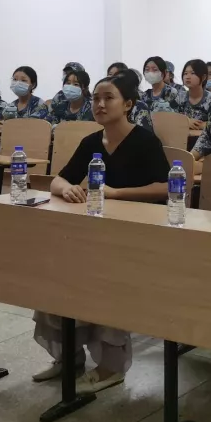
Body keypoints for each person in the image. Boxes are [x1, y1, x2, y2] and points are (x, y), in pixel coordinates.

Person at [37, 72, 170, 393]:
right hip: (97, 229)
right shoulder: (91, 143)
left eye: (108, 98)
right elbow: (60, 179)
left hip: (137, 233)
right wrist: (66, 189)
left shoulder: (145, 141)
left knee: (104, 280)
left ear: (128, 104)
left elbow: (166, 186)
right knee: (56, 272)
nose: (100, 104)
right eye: (96, 98)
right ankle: (68, 356)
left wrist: (116, 193)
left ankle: (111, 365)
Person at [176, 59, 211, 128]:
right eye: (185, 73)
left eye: (193, 73)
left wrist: (200, 124)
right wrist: (187, 121)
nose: (187, 77)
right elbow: (171, 118)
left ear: (203, 77)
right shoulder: (179, 97)